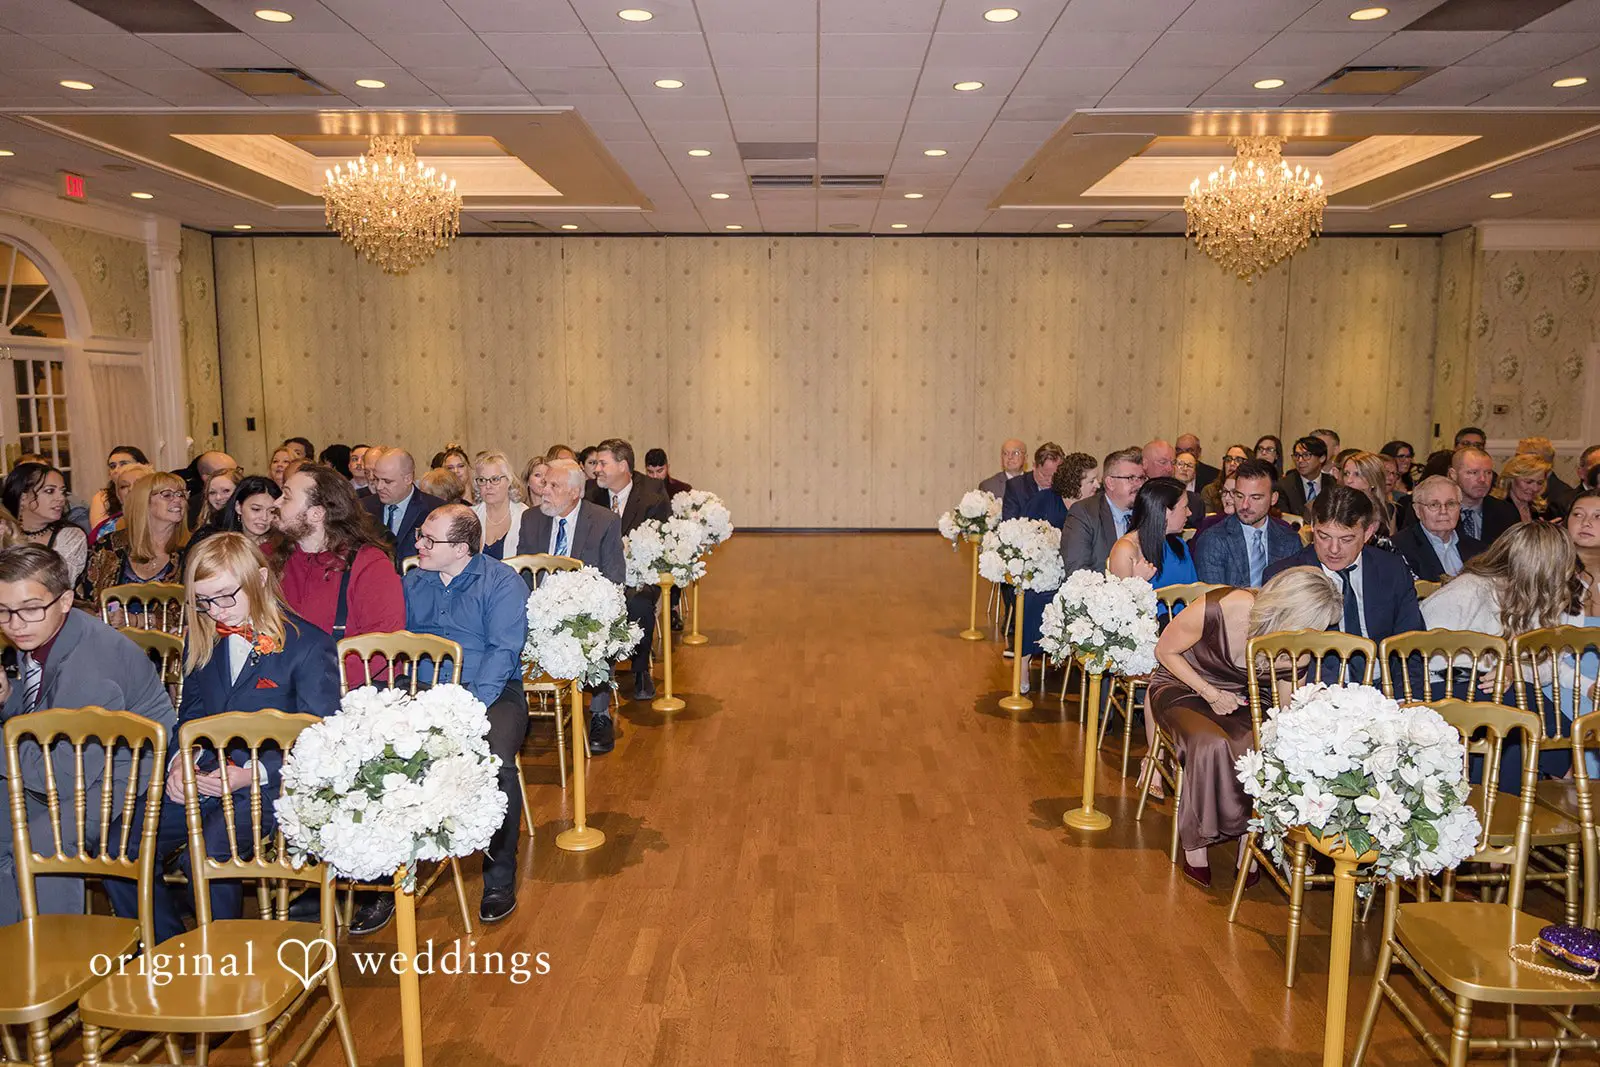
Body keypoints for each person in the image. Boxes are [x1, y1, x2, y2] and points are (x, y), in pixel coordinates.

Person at [102, 533, 339, 944]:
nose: (215, 611)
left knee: (208, 851)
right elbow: (190, 713)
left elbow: (322, 738)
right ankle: (166, 948)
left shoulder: (308, 645)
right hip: (207, 774)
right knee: (120, 844)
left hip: (275, 783)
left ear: (260, 579)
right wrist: (180, 761)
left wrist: (253, 774)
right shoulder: (205, 637)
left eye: (225, 597)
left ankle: (225, 956)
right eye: (203, 602)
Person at [349, 506, 528, 933]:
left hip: (489, 691)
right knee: (376, 760)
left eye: (431, 541)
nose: (419, 545)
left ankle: (499, 877)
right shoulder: (413, 581)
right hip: (420, 690)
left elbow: (503, 655)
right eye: (420, 537)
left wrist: (466, 711)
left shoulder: (502, 583)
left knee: (495, 763)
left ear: (462, 549)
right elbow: (394, 643)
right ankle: (382, 882)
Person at [0, 545, 175, 926]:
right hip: (63, 757)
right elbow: (37, 718)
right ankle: (12, 944)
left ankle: (56, 958)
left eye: (30, 608)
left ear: (65, 601)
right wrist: (8, 698)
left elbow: (60, 779)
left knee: (44, 841)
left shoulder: (91, 669)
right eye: (3, 611)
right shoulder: (44, 632)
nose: (14, 624)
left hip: (123, 775)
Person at [1149, 567, 1344, 887]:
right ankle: (1196, 845)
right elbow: (1164, 651)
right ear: (1288, 611)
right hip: (1185, 685)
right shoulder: (1226, 606)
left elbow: (1285, 708)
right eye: (1309, 626)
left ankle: (1248, 840)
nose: (1310, 636)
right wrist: (1210, 694)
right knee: (1208, 742)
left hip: (1246, 700)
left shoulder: (1297, 644)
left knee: (1263, 745)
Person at [1422, 522, 1580, 777]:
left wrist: (1510, 670)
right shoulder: (1468, 590)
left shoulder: (1539, 601)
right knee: (1522, 705)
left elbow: (1548, 664)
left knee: (1517, 724)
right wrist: (1486, 670)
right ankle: (1568, 776)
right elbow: (1417, 652)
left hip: (1496, 696)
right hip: (1440, 687)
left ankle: (1508, 805)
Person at [519, 459, 627, 753]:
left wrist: (589, 608)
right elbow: (521, 575)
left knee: (603, 628)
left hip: (584, 610)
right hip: (540, 607)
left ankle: (600, 713)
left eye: (554, 486)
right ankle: (516, 711)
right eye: (544, 484)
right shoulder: (531, 519)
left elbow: (615, 577)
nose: (545, 491)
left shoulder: (604, 521)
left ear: (575, 493)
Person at [1263, 487, 1425, 680]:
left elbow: (1412, 643)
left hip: (1385, 688)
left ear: (1368, 532)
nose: (1333, 549)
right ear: (1313, 526)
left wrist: (1406, 697)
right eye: (1324, 536)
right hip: (1317, 692)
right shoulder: (1285, 575)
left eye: (1346, 539)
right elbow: (1280, 659)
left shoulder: (1391, 568)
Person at [272, 463, 405, 689]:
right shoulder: (274, 559)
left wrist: (311, 683)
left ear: (316, 514)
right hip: (285, 688)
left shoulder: (369, 565)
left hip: (350, 690)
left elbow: (382, 648)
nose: (275, 503)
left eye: (286, 497)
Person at [589, 438, 672, 700]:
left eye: (603, 463)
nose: (597, 469)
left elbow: (661, 543)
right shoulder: (592, 493)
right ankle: (597, 673)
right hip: (600, 575)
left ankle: (640, 670)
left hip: (639, 575)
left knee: (638, 603)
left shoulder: (652, 493)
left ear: (623, 466)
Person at [1017, 453, 1099, 686]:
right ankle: (1023, 663)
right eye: (1091, 481)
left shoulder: (1095, 507)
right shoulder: (1043, 502)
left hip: (1080, 574)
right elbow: (1027, 539)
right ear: (1075, 482)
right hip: (1046, 574)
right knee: (1033, 599)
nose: (1097, 485)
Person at [86, 470, 190, 610]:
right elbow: (84, 601)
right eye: (167, 495)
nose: (178, 500)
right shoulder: (108, 545)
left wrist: (139, 621)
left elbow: (195, 610)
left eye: (181, 494)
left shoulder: (191, 549)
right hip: (108, 631)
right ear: (143, 501)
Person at [1192, 460, 1302, 588]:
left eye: (1255, 498)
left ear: (1273, 498)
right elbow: (1215, 601)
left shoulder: (1289, 540)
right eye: (1239, 496)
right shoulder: (1213, 540)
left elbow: (1295, 596)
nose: (1244, 505)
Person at [2, 461, 89, 588]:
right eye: (50, 491)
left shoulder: (70, 536)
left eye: (62, 492)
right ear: (23, 497)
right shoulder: (3, 530)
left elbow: (54, 586)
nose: (61, 498)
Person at [1061, 447, 1145, 577]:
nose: (1139, 485)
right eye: (1131, 478)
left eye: (1141, 478)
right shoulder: (1084, 513)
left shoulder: (1146, 511)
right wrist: (1127, 579)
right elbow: (1077, 572)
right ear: (1110, 483)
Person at [363, 447, 443, 571]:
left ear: (408, 479)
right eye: (376, 479)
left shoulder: (435, 510)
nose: (379, 487)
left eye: (387, 481)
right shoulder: (363, 508)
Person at [1392, 475, 1484, 582]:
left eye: (1451, 504)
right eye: (1434, 505)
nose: (1443, 511)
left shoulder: (1479, 551)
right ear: (1417, 510)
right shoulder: (1398, 548)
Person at [1451, 446, 1519, 545]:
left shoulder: (1506, 513)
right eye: (1474, 472)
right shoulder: (1440, 512)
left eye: (1488, 473)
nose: (1482, 479)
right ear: (1453, 475)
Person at [195, 474, 280, 549]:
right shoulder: (213, 540)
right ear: (238, 507)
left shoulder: (282, 547)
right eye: (256, 509)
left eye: (272, 511)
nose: (264, 517)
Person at [471, 451, 529, 559]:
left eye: (495, 479)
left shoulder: (525, 515)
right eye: (482, 480)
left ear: (509, 481)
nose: (488, 486)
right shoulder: (470, 516)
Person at [88, 445, 149, 542]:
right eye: (112, 466)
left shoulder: (157, 493)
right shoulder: (102, 497)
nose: (117, 470)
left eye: (124, 464)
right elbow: (101, 538)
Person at [1339, 450, 1398, 543]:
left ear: (1372, 479)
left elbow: (1390, 545)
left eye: (1357, 474)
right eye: (1346, 473)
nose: (1349, 480)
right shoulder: (1335, 505)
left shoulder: (1388, 509)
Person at [1275, 435, 1335, 519]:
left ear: (1322, 458)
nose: (1300, 460)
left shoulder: (1333, 484)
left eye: (1306, 455)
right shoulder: (1283, 486)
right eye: (1297, 455)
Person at [1002, 442, 1064, 520]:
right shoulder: (1016, 487)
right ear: (1034, 466)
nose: (1050, 481)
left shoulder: (1064, 487)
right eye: (1044, 475)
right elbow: (1009, 525)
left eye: (1055, 476)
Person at [1495, 452, 1553, 526]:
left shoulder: (1542, 510)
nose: (1535, 488)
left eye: (1539, 483)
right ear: (1511, 479)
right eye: (1528, 482)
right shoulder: (1496, 509)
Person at [1201, 445, 1250, 515]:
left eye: (1239, 460)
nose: (1232, 464)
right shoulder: (1210, 491)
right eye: (1228, 460)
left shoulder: (1254, 492)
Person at [196, 466, 241, 531]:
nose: (218, 497)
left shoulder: (252, 525)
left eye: (226, 491)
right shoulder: (205, 529)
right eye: (212, 492)